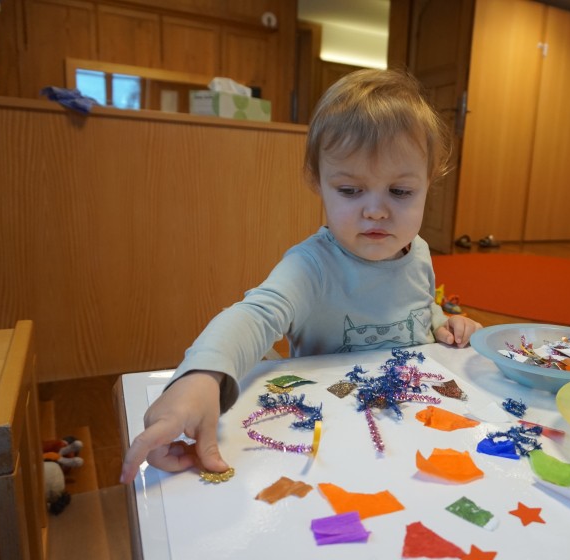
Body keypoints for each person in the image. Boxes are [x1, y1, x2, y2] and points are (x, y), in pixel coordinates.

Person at [120, 69, 483, 484]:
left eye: (400, 192)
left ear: (429, 182)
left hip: (410, 430)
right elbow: (254, 317)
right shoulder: (312, 265)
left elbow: (416, 306)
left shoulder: (417, 251)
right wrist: (202, 377)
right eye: (350, 190)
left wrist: (442, 322)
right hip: (327, 440)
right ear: (318, 182)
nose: (376, 211)